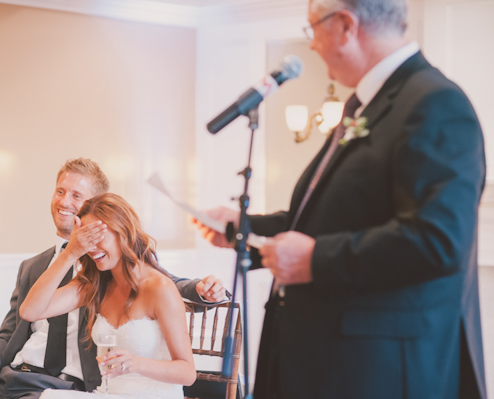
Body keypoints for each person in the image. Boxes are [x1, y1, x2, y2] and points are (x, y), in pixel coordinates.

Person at [192, 0, 488, 398]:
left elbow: (439, 240)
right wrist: (241, 229)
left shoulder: (433, 102)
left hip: (376, 369)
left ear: (346, 25)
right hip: (323, 357)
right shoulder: (364, 104)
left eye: (313, 27)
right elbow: (328, 221)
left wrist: (317, 260)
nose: (311, 44)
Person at [0, 158, 227, 399]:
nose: (90, 244)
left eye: (77, 197)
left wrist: (201, 290)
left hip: (79, 388)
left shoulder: (154, 284)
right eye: (60, 191)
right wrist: (70, 254)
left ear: (118, 229)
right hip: (16, 380)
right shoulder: (88, 281)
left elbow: (185, 365)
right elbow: (26, 315)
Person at [21, 193, 196, 399]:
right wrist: (70, 253)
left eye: (96, 236)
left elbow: (187, 373)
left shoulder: (159, 288)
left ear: (122, 230)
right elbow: (30, 311)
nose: (91, 248)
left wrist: (137, 363)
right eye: (85, 239)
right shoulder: (95, 285)